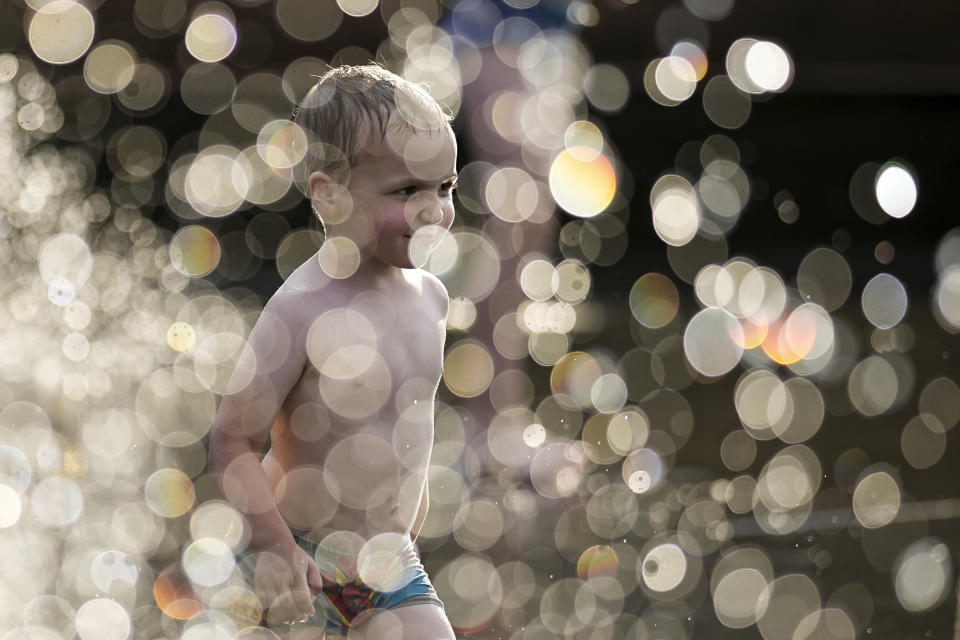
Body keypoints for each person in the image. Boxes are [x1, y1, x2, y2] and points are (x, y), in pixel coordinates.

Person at [208, 65, 459, 639]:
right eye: (407, 191)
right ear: (330, 194)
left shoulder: (433, 301)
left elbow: (409, 425)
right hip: (297, 555)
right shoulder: (302, 310)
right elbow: (232, 437)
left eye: (444, 188)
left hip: (388, 561)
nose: (434, 211)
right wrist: (271, 546)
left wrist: (407, 523)